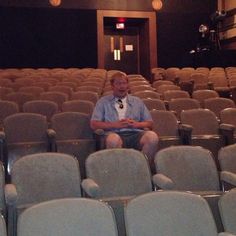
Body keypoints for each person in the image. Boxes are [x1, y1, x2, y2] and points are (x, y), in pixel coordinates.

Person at [90, 71, 159, 172]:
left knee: (152, 137)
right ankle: (120, 172)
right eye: (118, 83)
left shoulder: (137, 101)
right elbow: (94, 124)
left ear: (128, 85)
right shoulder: (103, 102)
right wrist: (115, 125)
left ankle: (141, 170)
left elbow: (150, 123)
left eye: (124, 83)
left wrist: (137, 124)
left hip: (135, 134)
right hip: (114, 133)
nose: (122, 86)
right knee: (113, 140)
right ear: (112, 86)